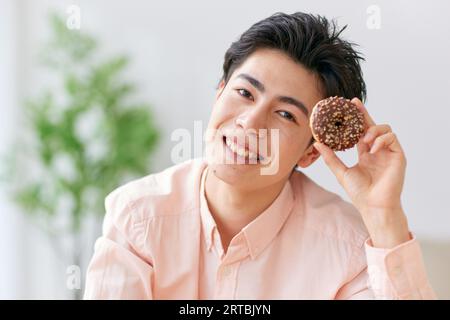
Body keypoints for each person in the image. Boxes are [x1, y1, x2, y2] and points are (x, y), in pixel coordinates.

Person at [84, 12, 436, 299]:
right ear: (219, 92)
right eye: (244, 93)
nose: (250, 124)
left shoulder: (347, 249)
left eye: (286, 114)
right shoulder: (139, 217)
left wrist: (384, 215)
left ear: (312, 151)